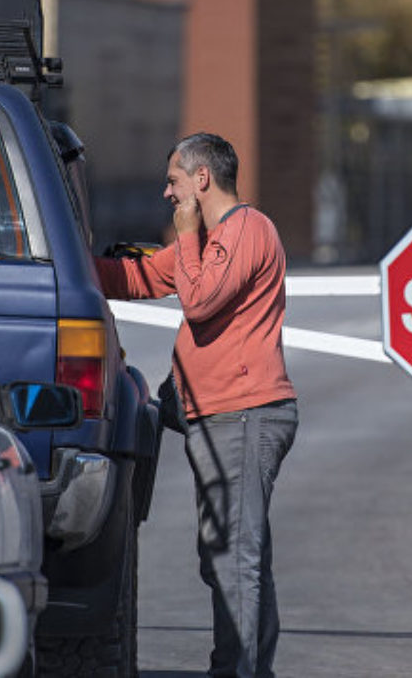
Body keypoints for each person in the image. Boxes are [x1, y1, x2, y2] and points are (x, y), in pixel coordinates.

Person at [93, 132, 297, 677]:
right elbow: (141, 276)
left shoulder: (248, 230)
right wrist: (67, 266)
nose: (166, 192)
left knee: (235, 559)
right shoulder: (206, 240)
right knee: (232, 557)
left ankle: (239, 671)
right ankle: (247, 667)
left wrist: (185, 236)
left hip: (244, 414)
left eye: (174, 181)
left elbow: (200, 299)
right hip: (218, 415)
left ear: (201, 178)